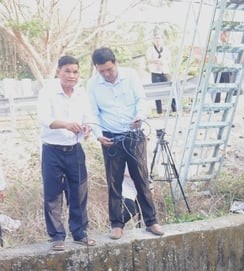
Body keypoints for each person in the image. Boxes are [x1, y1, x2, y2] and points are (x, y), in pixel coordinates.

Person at [88, 47, 164, 239]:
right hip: (110, 137)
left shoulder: (130, 76)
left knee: (141, 178)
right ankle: (116, 224)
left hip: (134, 134)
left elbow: (141, 100)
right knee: (114, 182)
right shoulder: (93, 84)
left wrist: (140, 116)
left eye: (109, 69)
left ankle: (151, 221)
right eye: (101, 71)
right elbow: (92, 112)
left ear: (115, 63)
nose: (106, 74)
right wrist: (98, 134)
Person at [37, 55, 96, 251]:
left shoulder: (81, 93)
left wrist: (87, 128)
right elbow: (45, 119)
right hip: (52, 150)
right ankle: (56, 236)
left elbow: (88, 117)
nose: (72, 75)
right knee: (53, 194)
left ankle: (80, 233)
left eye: (75, 72)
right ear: (58, 72)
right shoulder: (48, 92)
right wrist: (66, 124)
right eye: (68, 71)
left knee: (79, 192)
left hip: (75, 150)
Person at [146, 32, 177, 114]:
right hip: (155, 72)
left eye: (159, 38)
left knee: (170, 90)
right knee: (157, 92)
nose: (158, 40)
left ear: (162, 40)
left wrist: (162, 62)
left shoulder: (166, 49)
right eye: (156, 38)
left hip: (165, 71)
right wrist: (156, 61)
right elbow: (148, 60)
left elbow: (169, 60)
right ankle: (159, 111)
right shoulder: (150, 49)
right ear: (154, 40)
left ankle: (174, 110)